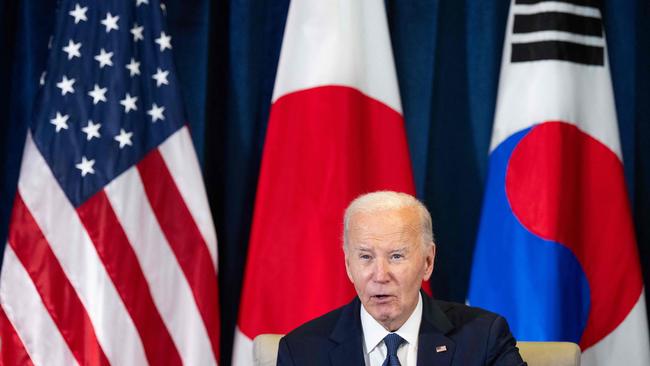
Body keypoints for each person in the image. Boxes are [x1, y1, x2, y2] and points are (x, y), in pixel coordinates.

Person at [277, 191, 525, 366]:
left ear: (427, 262)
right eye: (365, 257)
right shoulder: (302, 351)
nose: (380, 275)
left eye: (396, 256)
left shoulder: (482, 339)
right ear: (348, 265)